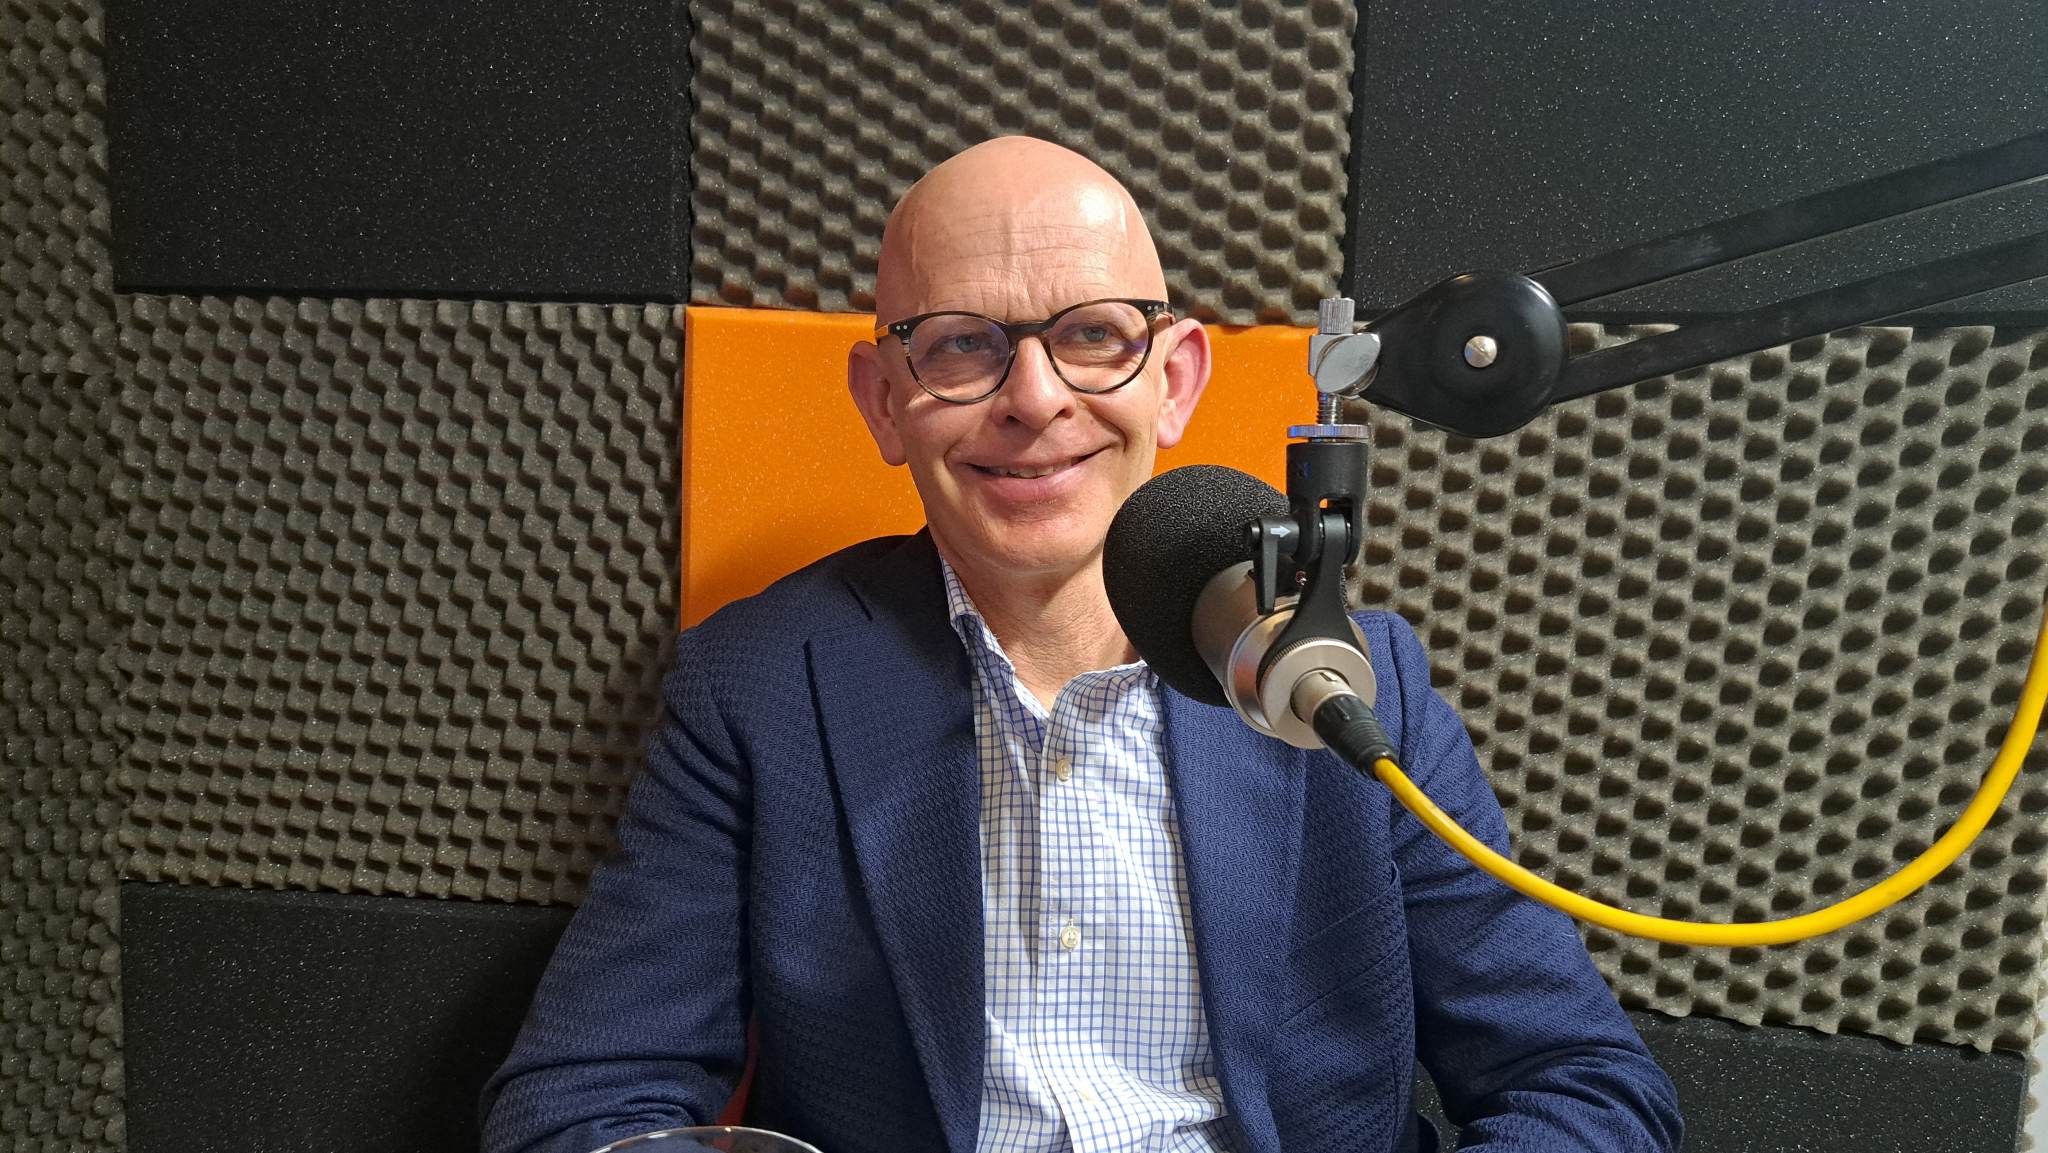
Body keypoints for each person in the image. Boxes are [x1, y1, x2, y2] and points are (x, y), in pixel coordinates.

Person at [480, 137, 1682, 1153]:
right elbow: (579, 1101)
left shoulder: (1346, 687)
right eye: (961, 343)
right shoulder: (759, 684)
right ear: (882, 399)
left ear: (1176, 379)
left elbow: (1582, 1084)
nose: (1035, 397)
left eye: (1094, 335)